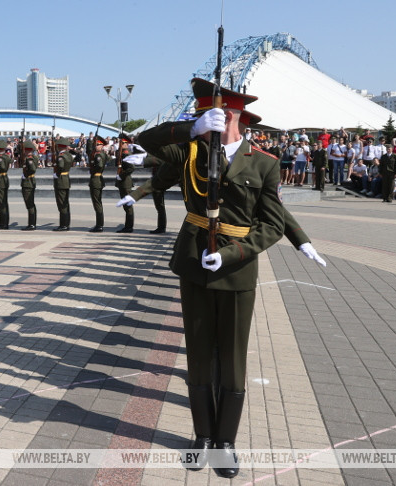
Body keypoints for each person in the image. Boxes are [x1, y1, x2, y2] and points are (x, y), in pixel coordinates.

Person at [117, 79, 285, 478]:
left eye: (224, 114)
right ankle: (202, 437)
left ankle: (225, 442)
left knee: (231, 360)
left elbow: (273, 225)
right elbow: (148, 140)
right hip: (194, 263)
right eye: (209, 115)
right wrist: (189, 130)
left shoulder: (265, 162)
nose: (216, 120)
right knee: (197, 356)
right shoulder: (191, 150)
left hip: (237, 269)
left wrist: (231, 253)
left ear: (239, 116)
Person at [114, 134, 135, 233]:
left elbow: (131, 168)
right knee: (126, 206)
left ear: (126, 144)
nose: (120, 145)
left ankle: (129, 227)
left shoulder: (126, 154)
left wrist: (121, 176)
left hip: (125, 182)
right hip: (122, 183)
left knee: (128, 206)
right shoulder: (122, 153)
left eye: (122, 143)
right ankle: (128, 226)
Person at [88, 136, 108, 232]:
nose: (96, 146)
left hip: (96, 179)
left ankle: (99, 225)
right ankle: (99, 224)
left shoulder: (99, 155)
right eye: (95, 144)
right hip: (97, 179)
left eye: (98, 145)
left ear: (102, 145)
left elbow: (99, 165)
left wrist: (93, 169)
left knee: (97, 203)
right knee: (97, 203)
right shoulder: (99, 154)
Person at [52, 137, 73, 231]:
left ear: (59, 146)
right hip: (66, 179)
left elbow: (60, 166)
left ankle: (63, 225)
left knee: (61, 203)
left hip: (60, 180)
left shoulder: (61, 156)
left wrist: (56, 173)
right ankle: (66, 223)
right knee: (65, 203)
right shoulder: (68, 155)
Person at [20, 140, 38, 230]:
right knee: (30, 204)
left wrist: (26, 173)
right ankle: (32, 223)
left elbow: (32, 169)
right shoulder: (32, 157)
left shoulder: (30, 158)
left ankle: (32, 224)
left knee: (29, 203)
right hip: (29, 181)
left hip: (28, 182)